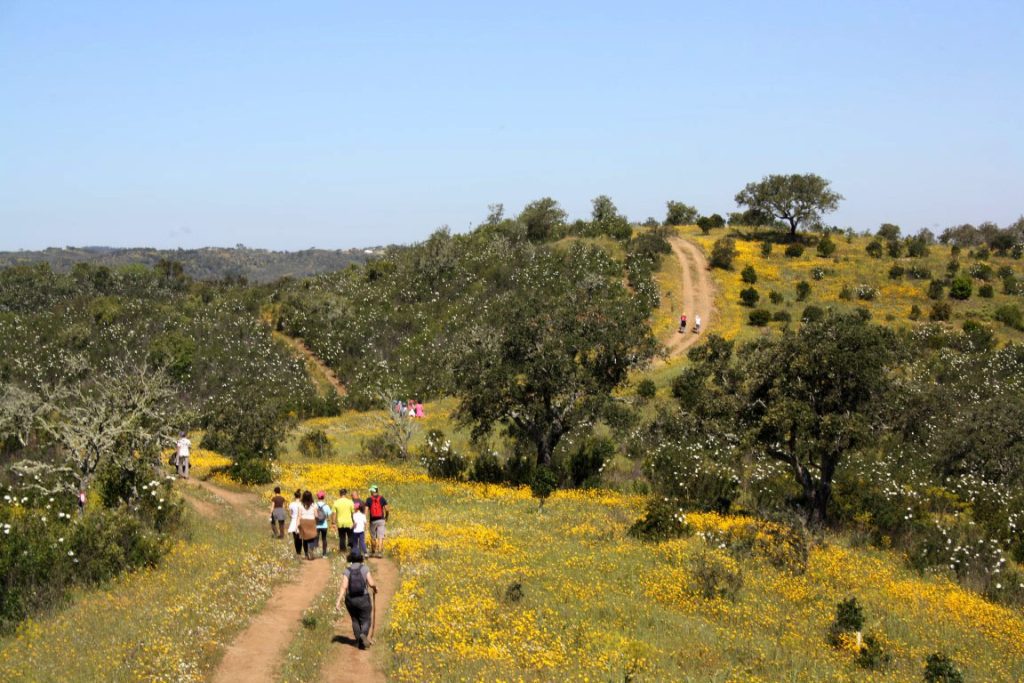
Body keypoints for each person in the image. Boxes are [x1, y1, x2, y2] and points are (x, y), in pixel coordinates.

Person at [335, 551, 377, 650]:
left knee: (355, 619)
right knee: (366, 619)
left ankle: (358, 641)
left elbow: (344, 586)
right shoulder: (364, 568)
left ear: (350, 559)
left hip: (350, 600)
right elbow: (371, 583)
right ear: (361, 558)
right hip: (363, 598)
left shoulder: (347, 570)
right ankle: (363, 635)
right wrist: (375, 588)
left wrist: (338, 601)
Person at [366, 485, 390, 558]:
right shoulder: (382, 498)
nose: (370, 492)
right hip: (381, 520)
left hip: (373, 521)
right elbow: (387, 509)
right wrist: (386, 517)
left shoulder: (369, 499)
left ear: (373, 491)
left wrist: (365, 520)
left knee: (373, 537)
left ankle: (373, 551)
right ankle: (379, 552)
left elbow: (366, 510)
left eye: (371, 491)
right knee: (380, 537)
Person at [298, 490, 319, 560]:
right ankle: (311, 550)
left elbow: (299, 516)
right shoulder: (314, 505)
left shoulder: (300, 505)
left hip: (303, 521)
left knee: (305, 539)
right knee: (312, 538)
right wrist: (316, 522)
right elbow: (316, 515)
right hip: (311, 521)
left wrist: (298, 525)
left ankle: (306, 554)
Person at [332, 488, 355, 553]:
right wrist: (354, 521)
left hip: (340, 523)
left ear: (340, 494)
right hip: (349, 522)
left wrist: (333, 522)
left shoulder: (336, 502)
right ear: (346, 493)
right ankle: (351, 548)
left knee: (342, 537)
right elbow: (353, 513)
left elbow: (334, 514)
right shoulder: (350, 502)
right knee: (350, 536)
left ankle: (342, 550)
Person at [315, 491, 332, 557]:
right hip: (324, 525)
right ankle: (324, 554)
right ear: (323, 497)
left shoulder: (315, 505)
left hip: (316, 525)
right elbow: (329, 515)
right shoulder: (326, 506)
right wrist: (327, 519)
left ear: (318, 497)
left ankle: (315, 552)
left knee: (316, 538)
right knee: (324, 539)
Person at [287, 489, 303, 556]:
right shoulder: (302, 504)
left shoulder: (291, 504)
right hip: (301, 520)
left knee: (295, 537)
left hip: (294, 520)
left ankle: (297, 552)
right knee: (300, 537)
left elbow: (290, 513)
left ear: (295, 496)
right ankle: (300, 550)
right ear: (300, 496)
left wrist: (292, 516)